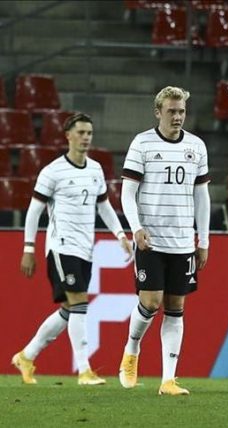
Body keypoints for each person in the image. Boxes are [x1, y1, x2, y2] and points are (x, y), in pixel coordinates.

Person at [12, 113, 132, 386]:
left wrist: (120, 235)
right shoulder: (53, 171)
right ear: (68, 135)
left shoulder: (95, 170)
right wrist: (29, 248)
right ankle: (84, 371)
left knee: (70, 308)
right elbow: (34, 211)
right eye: (80, 132)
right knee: (79, 302)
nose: (86, 137)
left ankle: (26, 356)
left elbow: (104, 206)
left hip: (85, 249)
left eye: (89, 133)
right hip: (61, 246)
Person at [118, 86, 210, 396]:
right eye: (171, 111)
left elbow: (202, 196)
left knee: (175, 306)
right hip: (151, 240)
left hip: (183, 241)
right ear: (158, 112)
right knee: (151, 302)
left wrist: (204, 240)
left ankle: (168, 380)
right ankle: (132, 349)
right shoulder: (142, 143)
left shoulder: (196, 146)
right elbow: (127, 192)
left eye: (181, 111)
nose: (177, 116)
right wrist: (136, 228)